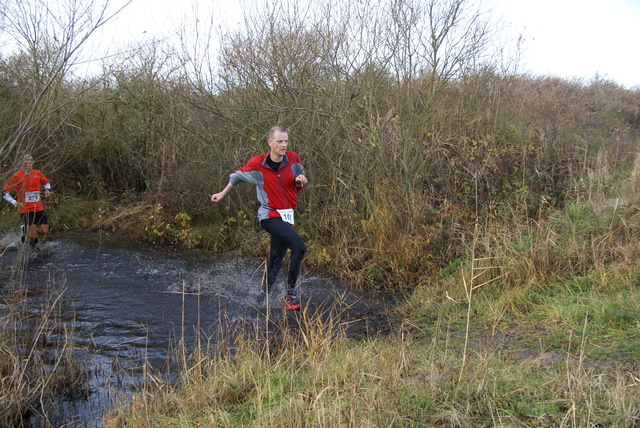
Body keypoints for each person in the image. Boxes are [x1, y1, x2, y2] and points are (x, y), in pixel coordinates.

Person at [211, 125, 308, 310]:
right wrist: (222, 194)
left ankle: (260, 299)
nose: (283, 145)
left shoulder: (293, 159)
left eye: (286, 141)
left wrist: (300, 180)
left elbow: (299, 178)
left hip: (286, 215)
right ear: (270, 143)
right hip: (269, 215)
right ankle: (291, 295)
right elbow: (237, 176)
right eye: (279, 141)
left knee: (276, 259)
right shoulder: (258, 164)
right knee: (299, 247)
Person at [3, 153, 52, 251]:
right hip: (25, 208)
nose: (29, 162)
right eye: (26, 160)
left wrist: (48, 190)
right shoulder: (16, 176)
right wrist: (14, 202)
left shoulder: (37, 173)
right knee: (33, 230)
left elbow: (46, 182)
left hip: (38, 207)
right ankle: (35, 249)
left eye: (30, 160)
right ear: (21, 162)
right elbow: (4, 193)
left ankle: (25, 230)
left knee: (44, 231)